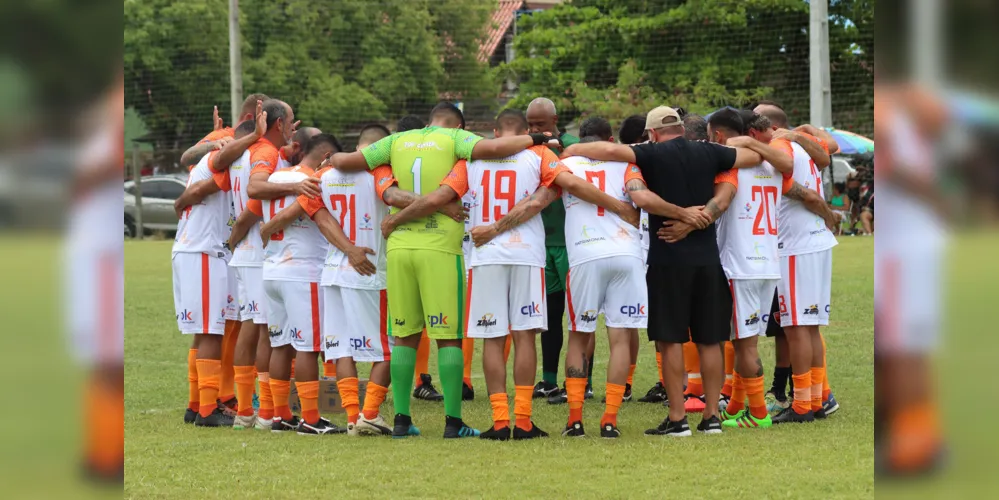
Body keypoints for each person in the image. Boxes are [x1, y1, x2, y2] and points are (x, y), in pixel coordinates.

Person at [328, 101, 562, 439]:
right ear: (459, 125)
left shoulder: (395, 142)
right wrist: (538, 138)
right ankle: (454, 422)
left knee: (404, 336)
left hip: (399, 249)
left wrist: (333, 160)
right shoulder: (457, 140)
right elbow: (486, 156)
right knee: (450, 337)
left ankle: (399, 419)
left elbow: (345, 162)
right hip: (441, 247)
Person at [400, 110, 636, 440]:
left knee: (492, 340)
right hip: (527, 255)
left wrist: (400, 217)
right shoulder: (539, 153)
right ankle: (523, 420)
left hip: (486, 257)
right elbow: (569, 184)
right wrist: (619, 206)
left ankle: (499, 422)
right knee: (525, 335)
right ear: (526, 132)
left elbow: (441, 196)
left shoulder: (471, 159)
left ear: (494, 132)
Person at [561, 105, 765, 437]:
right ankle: (712, 416)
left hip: (667, 258)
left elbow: (611, 152)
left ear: (653, 133)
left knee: (670, 340)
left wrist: (573, 148)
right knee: (710, 340)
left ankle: (677, 417)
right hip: (707, 259)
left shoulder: (650, 154)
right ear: (682, 129)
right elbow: (752, 159)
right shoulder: (710, 152)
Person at [693, 110, 794, 430]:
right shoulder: (774, 164)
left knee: (744, 344)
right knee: (743, 339)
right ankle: (737, 405)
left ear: (719, 136)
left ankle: (760, 414)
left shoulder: (730, 166)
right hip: (767, 264)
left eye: (710, 136)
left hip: (741, 266)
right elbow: (789, 167)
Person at [874, 81, 948, 476]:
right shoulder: (903, 110)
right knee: (908, 348)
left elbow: (898, 168)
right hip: (914, 241)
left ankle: (913, 446)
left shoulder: (888, 116)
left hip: (901, 247)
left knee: (902, 349)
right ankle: (920, 434)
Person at [256, 133, 345, 435]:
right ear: (326, 157)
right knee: (308, 347)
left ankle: (281, 415)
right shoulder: (317, 179)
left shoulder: (277, 175)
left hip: (272, 270)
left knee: (281, 345)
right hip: (304, 270)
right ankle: (310, 418)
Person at [70, 73, 125, 481]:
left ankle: (103, 453)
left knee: (106, 360)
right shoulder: (102, 144)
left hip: (99, 255)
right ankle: (105, 457)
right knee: (107, 361)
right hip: (101, 257)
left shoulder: (102, 143)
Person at [524, 97, 581, 402]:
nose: (535, 129)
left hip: (572, 243)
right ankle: (548, 380)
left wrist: (559, 146)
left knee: (578, 316)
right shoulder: (525, 146)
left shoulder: (574, 145)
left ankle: (582, 382)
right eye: (530, 124)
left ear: (555, 119)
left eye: (541, 125)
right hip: (542, 245)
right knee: (549, 314)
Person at [179, 95, 269, 168]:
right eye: (263, 120)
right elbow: (185, 158)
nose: (264, 127)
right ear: (249, 118)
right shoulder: (222, 135)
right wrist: (214, 144)